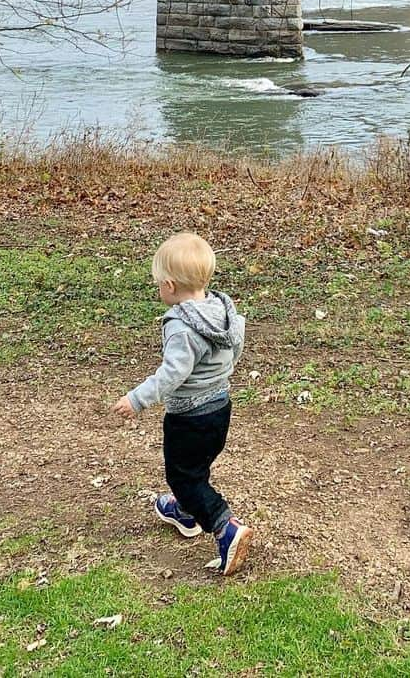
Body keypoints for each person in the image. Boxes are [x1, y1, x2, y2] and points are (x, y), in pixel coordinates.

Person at [113, 231, 252, 576]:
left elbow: (172, 373)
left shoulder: (181, 325)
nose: (158, 289)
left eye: (159, 283)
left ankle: (225, 526)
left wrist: (137, 399)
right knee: (196, 467)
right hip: (220, 407)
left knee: (182, 475)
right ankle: (186, 512)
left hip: (190, 416)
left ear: (171, 286)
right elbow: (235, 345)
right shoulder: (221, 310)